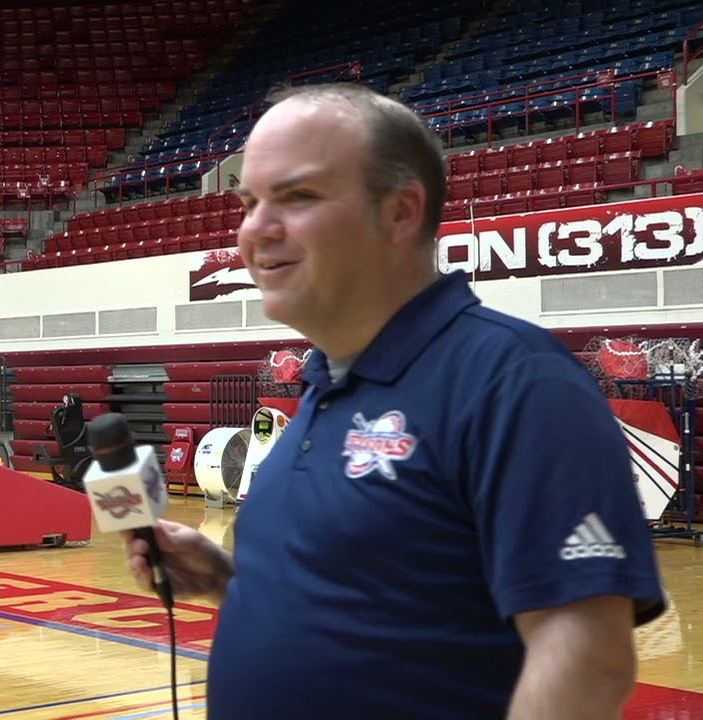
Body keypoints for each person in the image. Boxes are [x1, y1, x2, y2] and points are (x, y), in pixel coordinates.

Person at [123, 83, 666, 719]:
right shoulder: (323, 385)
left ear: (401, 212)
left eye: (296, 197)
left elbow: (587, 660)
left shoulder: (516, 382)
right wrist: (226, 582)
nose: (254, 229)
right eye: (249, 201)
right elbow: (385, 610)